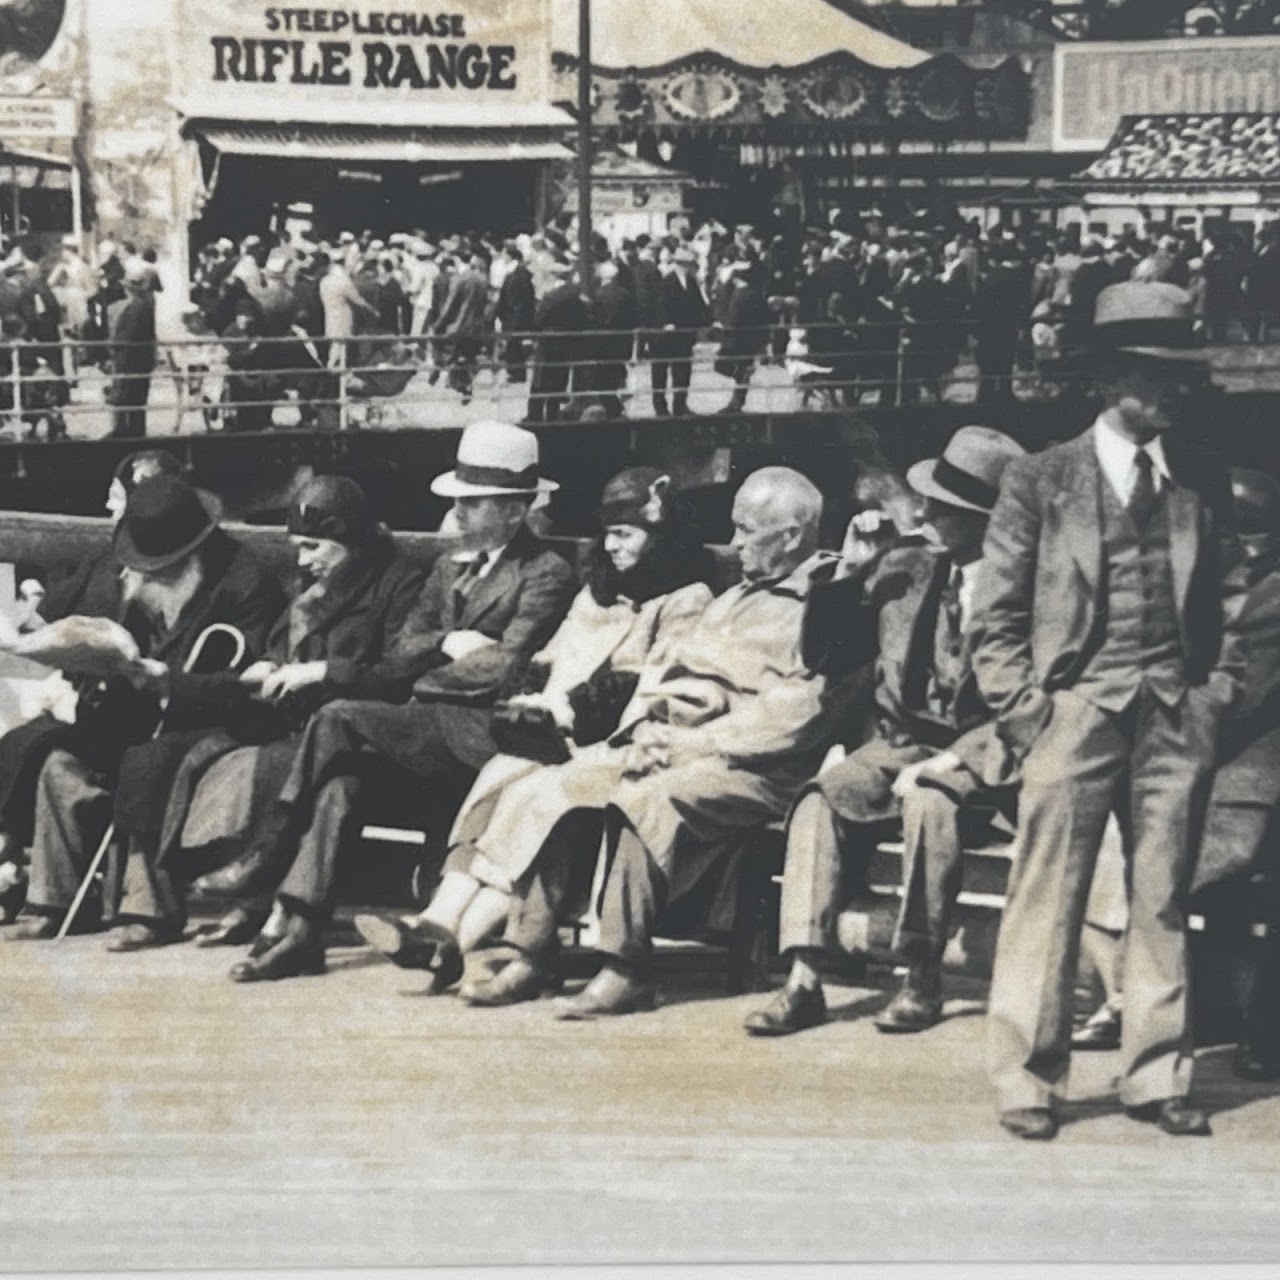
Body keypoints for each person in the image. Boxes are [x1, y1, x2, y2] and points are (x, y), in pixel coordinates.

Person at [973, 281, 1247, 1141]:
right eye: (1149, 375)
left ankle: (1157, 1073)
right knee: (1045, 893)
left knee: (1161, 896)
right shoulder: (1039, 478)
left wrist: (1212, 702)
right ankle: (1027, 1076)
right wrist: (1030, 713)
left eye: (1176, 377)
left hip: (1174, 711)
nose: (1169, 391)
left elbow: (1238, 601)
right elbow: (995, 617)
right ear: (1105, 380)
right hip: (1075, 710)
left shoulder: (1201, 476)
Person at [194, 421, 576, 982]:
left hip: (476, 742)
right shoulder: (448, 565)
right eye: (459, 503)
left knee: (336, 716)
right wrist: (447, 644)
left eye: (474, 504)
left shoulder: (546, 573)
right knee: (340, 787)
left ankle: (269, 853)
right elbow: (404, 648)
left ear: (515, 511)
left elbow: (505, 669)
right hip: (419, 730)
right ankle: (300, 931)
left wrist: (429, 673)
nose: (460, 515)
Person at [461, 468, 839, 1017]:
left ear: (792, 535)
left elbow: (798, 718)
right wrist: (644, 733)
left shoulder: (824, 603)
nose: (733, 545)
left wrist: (694, 745)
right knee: (556, 787)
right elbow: (664, 677)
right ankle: (532, 952)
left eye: (747, 531)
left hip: (757, 769)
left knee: (645, 799)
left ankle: (626, 968)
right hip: (672, 744)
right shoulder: (731, 597)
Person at [353, 467, 716, 988]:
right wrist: (537, 691)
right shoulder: (600, 590)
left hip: (621, 743)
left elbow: (656, 682)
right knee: (500, 778)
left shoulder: (686, 598)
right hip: (563, 734)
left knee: (534, 798)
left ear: (660, 536)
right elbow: (553, 652)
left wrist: (574, 707)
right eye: (608, 533)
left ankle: (449, 937)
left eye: (626, 534)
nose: (612, 545)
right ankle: (437, 924)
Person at [743, 427, 1025, 1037]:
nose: (924, 513)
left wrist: (959, 760)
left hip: (992, 760)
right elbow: (825, 654)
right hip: (902, 746)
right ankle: (804, 977)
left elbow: (1033, 700)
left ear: (987, 521)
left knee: (931, 797)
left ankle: (920, 973)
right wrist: (850, 570)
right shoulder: (911, 566)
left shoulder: (1029, 587)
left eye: (944, 509)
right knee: (822, 796)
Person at [114, 475, 426, 952]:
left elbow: (397, 674)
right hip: (287, 717)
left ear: (349, 540)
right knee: (176, 753)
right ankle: (163, 902)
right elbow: (280, 647)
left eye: (313, 547)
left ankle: (253, 900)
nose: (302, 561)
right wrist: (269, 666)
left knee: (264, 766)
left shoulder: (397, 583)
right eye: (297, 548)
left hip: (349, 731)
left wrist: (321, 672)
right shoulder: (312, 586)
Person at [7, 474, 283, 943]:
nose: (144, 578)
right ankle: (53, 899)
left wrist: (168, 681)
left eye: (159, 571)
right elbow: (74, 620)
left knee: (146, 764)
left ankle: (149, 909)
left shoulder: (246, 581)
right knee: (59, 760)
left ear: (191, 556)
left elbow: (248, 682)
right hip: (136, 711)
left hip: (211, 719)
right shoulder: (127, 572)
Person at [0, 449, 184, 924]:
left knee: (37, 744)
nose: (109, 508)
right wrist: (30, 627)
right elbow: (51, 619)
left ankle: (11, 867)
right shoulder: (107, 557)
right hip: (95, 700)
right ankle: (13, 865)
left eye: (117, 499)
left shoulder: (182, 568)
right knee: (25, 741)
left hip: (141, 711)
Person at [650, 247, 708, 418]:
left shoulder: (690, 280)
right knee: (660, 372)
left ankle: (680, 406)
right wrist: (666, 322)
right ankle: (660, 408)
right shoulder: (666, 279)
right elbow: (659, 304)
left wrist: (708, 321)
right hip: (666, 336)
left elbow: (698, 304)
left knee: (682, 372)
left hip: (684, 334)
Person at [107, 261, 157, 438]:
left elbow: (128, 334)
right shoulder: (144, 304)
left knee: (126, 395)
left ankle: (125, 430)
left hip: (131, 359)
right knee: (135, 397)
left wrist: (114, 346)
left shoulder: (136, 307)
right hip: (139, 358)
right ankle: (133, 429)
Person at [715, 258, 769, 415]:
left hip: (736, 339)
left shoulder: (740, 295)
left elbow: (733, 317)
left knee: (722, 365)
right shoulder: (755, 293)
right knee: (743, 366)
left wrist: (723, 327)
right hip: (750, 339)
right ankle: (737, 402)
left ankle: (738, 394)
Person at [495, 241, 535, 385]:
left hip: (514, 316)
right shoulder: (519, 273)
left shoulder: (517, 274)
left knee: (513, 347)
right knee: (513, 348)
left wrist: (509, 318)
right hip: (514, 315)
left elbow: (516, 300)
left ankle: (516, 373)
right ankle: (516, 373)